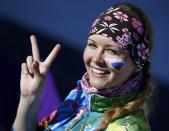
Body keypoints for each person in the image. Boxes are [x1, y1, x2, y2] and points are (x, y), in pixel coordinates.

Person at [13, 2, 155, 131]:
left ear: (137, 64)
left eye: (112, 51)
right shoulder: (80, 95)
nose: (97, 58)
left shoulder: (127, 128)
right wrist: (29, 99)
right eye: (92, 45)